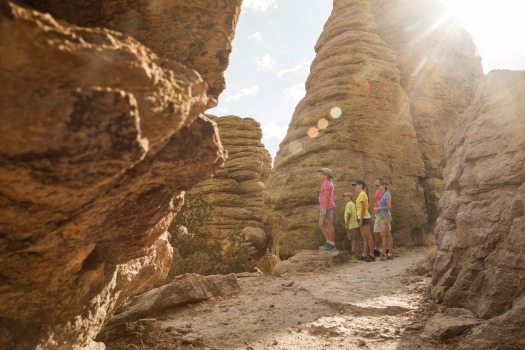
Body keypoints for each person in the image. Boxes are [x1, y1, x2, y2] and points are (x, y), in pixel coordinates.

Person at [352, 180, 375, 261]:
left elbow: (363, 208)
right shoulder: (361, 194)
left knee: (368, 236)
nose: (355, 187)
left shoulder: (362, 194)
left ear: (360, 185)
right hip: (361, 217)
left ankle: (372, 255)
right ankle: (364, 254)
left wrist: (361, 219)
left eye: (356, 185)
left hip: (364, 217)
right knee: (364, 236)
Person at [374, 179, 393, 260]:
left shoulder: (386, 194)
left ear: (384, 186)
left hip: (384, 216)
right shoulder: (383, 195)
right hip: (382, 215)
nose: (379, 186)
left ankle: (384, 253)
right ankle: (389, 253)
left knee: (383, 235)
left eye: (380, 185)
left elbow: (389, 206)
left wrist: (379, 208)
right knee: (388, 235)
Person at [318, 168, 336, 250]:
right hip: (324, 207)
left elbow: (326, 196)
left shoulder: (326, 183)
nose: (320, 176)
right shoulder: (328, 183)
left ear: (326, 175)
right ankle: (328, 242)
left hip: (327, 207)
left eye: (321, 174)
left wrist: (325, 209)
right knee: (321, 225)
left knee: (329, 225)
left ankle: (331, 243)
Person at [343, 192, 359, 257]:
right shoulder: (352, 204)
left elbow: (349, 214)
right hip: (355, 224)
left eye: (346, 197)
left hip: (351, 224)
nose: (344, 198)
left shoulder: (349, 204)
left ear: (350, 197)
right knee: (355, 238)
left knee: (352, 239)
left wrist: (346, 224)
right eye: (344, 197)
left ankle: (353, 252)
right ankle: (357, 251)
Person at [372, 178, 384, 257]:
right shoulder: (376, 191)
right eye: (375, 181)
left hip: (382, 213)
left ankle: (384, 249)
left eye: (377, 181)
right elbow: (375, 203)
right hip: (377, 213)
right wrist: (373, 213)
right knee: (376, 231)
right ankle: (377, 248)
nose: (375, 183)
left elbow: (384, 203)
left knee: (383, 232)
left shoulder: (383, 192)